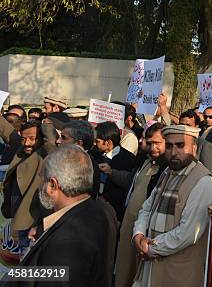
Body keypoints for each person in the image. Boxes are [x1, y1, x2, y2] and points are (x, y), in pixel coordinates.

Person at [7, 145, 117, 287]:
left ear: (52, 185)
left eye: (42, 179)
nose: (39, 185)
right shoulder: (100, 210)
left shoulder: (66, 242)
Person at [132, 124, 212, 287]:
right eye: (169, 146)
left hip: (177, 269)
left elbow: (188, 233)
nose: (173, 152)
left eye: (180, 145)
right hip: (151, 262)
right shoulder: (168, 172)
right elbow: (147, 208)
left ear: (194, 147)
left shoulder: (203, 181)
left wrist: (151, 248)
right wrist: (139, 235)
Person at [114, 123, 168, 287]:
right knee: (124, 270)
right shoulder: (145, 162)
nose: (153, 148)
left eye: (157, 143)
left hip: (145, 233)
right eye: (150, 143)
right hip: (129, 227)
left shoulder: (167, 169)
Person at [1, 119, 45, 256]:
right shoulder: (20, 149)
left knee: (26, 265)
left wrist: (47, 122)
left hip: (31, 223)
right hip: (14, 217)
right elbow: (8, 132)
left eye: (32, 139)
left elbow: (50, 138)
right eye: (24, 139)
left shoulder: (44, 153)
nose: (27, 143)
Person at [93, 121, 137, 221]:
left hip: (113, 214)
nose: (95, 144)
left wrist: (106, 198)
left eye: (97, 141)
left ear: (108, 142)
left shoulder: (128, 159)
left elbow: (127, 187)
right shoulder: (94, 155)